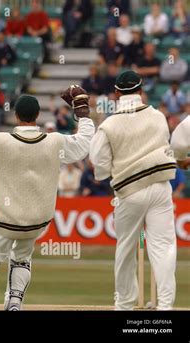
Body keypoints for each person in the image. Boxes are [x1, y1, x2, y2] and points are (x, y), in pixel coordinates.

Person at [0, 87, 94, 311]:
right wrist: (81, 109)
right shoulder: (55, 142)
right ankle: (14, 302)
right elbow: (85, 141)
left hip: (4, 220)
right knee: (21, 258)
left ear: (16, 116)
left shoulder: (0, 141)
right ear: (38, 116)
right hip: (37, 222)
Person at [89, 70, 177, 310]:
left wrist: (111, 169)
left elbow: (100, 164)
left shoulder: (109, 125)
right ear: (141, 91)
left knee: (127, 248)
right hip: (161, 187)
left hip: (130, 192)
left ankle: (125, 305)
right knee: (163, 246)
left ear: (116, 93)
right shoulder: (158, 116)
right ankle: (166, 305)